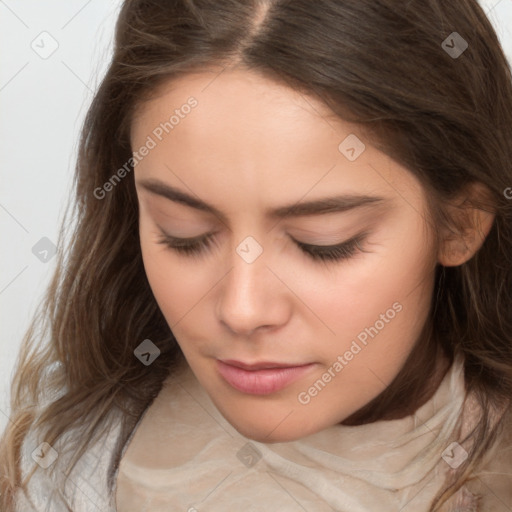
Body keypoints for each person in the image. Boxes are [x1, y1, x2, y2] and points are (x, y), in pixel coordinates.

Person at [1, 0, 512, 510]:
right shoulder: (61, 465)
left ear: (461, 223)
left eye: (323, 244)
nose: (241, 309)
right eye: (185, 234)